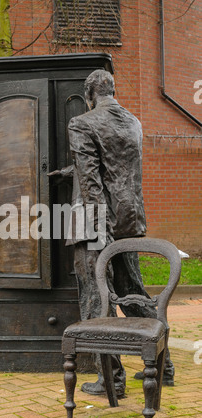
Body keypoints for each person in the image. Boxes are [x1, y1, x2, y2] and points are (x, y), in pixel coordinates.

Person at [50, 69, 174, 396]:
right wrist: (67, 172)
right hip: (128, 219)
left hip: (95, 224)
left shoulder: (82, 123)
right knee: (133, 289)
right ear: (112, 90)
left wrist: (99, 236)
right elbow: (115, 165)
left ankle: (110, 379)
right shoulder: (132, 122)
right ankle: (164, 364)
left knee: (94, 297)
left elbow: (92, 185)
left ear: (89, 95)